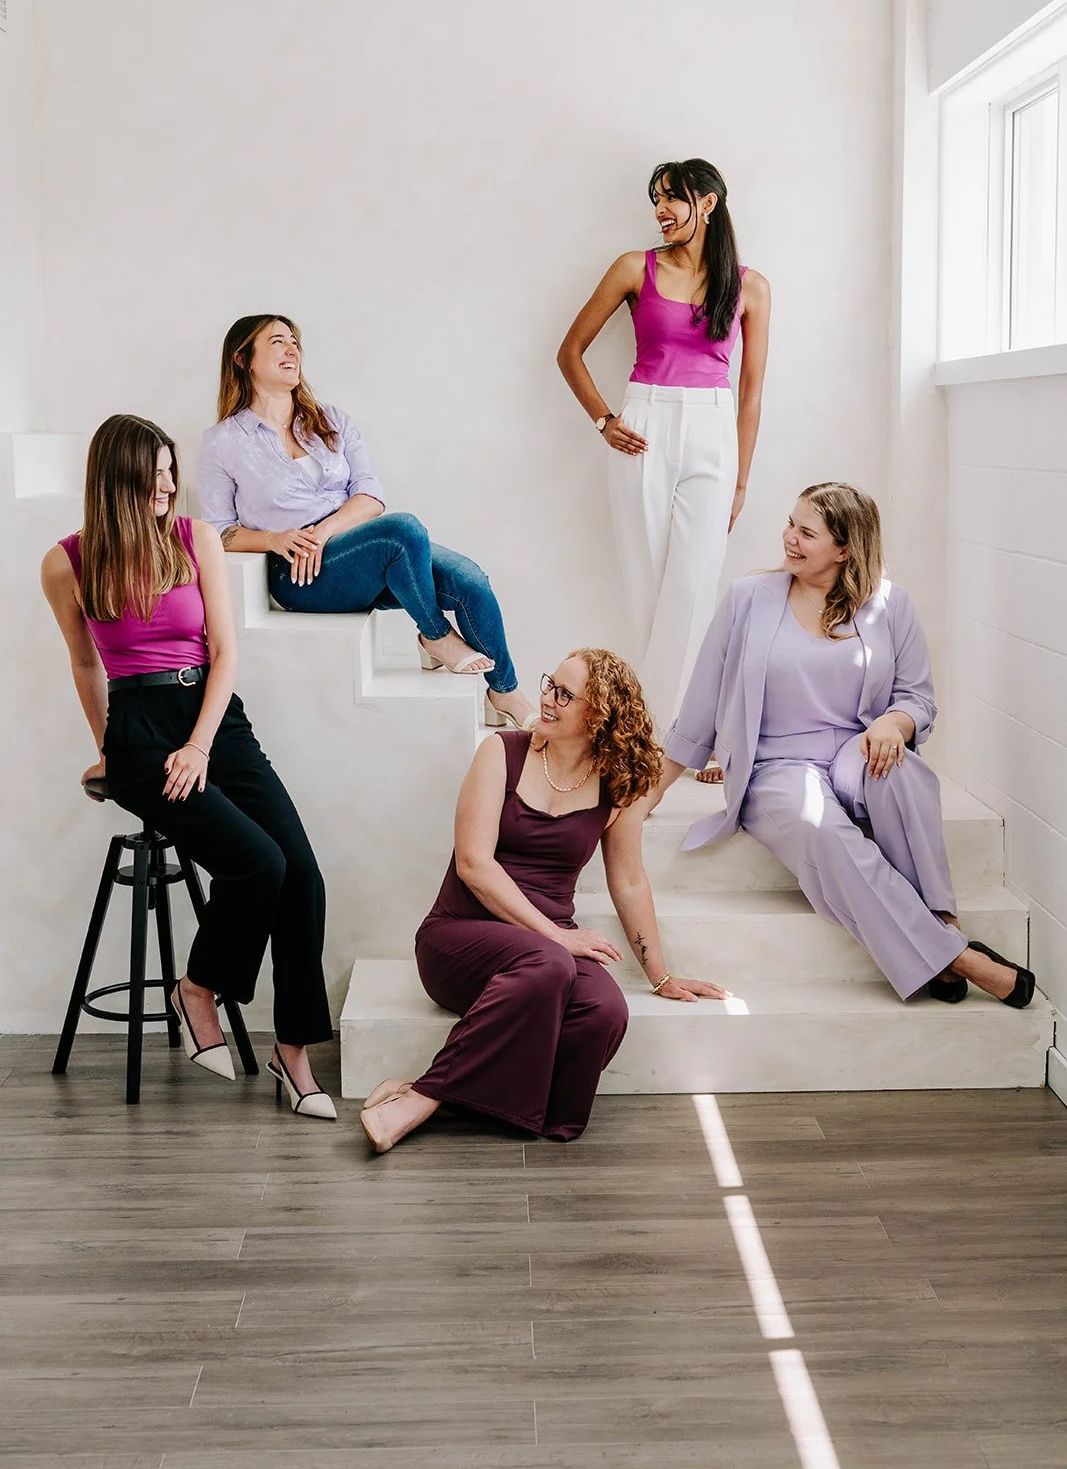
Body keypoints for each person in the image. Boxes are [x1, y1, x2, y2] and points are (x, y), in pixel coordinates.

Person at [41, 415, 338, 1118]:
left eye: (171, 475)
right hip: (139, 733)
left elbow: (226, 653)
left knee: (301, 874)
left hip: (214, 719)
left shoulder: (194, 538)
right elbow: (85, 663)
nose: (169, 489)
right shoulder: (66, 563)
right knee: (257, 863)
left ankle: (292, 1052)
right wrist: (109, 751)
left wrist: (201, 743)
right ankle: (198, 987)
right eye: (154, 478)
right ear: (116, 483)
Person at [650, 482, 1035, 1008]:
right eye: (790, 524)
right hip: (776, 763)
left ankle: (943, 923)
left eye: (807, 532)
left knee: (904, 772)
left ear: (845, 547)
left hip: (857, 748)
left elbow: (918, 698)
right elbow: (701, 699)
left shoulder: (891, 604)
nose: (789, 538)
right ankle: (957, 957)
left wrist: (894, 723)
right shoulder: (748, 598)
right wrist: (653, 790)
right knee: (819, 826)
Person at [359, 649, 728, 1153]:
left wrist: (660, 975)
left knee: (604, 1011)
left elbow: (628, 881)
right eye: (549, 684)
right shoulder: (501, 753)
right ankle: (424, 1095)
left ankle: (459, 1102)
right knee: (550, 962)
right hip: (459, 938)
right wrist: (556, 936)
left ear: (599, 716)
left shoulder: (616, 786)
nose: (547, 700)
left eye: (564, 694)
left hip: (543, 956)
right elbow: (473, 865)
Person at [197, 315, 536, 731]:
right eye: (277, 341)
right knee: (403, 530)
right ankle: (434, 635)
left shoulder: (331, 420)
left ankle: (504, 693)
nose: (291, 349)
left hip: (358, 547)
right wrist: (274, 539)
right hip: (301, 573)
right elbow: (218, 530)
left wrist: (325, 530)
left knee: (471, 581)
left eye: (295, 342)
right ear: (242, 358)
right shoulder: (223, 442)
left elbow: (370, 495)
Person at [557, 158, 771, 734]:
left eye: (672, 197)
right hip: (643, 429)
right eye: (656, 198)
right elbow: (569, 352)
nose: (661, 210)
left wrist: (741, 482)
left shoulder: (750, 286)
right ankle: (667, 732)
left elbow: (751, 395)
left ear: (708, 203)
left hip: (714, 433)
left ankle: (665, 731)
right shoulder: (634, 267)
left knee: (694, 588)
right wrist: (604, 420)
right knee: (648, 588)